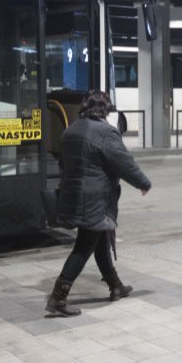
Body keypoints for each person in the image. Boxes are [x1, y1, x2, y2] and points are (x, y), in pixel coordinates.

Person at [46, 90, 152, 317]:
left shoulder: (71, 130)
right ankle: (58, 297)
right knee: (84, 246)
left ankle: (116, 286)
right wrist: (143, 183)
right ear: (106, 110)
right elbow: (124, 162)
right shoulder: (105, 133)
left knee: (100, 240)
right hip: (95, 199)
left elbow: (63, 164)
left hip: (74, 195)